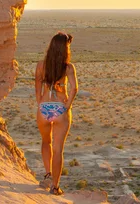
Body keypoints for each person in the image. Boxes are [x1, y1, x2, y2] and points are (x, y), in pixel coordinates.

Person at [35, 31, 78, 196]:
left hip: (44, 108)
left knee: (46, 142)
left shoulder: (41, 65)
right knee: (58, 148)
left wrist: (40, 103)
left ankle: (47, 174)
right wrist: (67, 105)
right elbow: (74, 88)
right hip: (60, 108)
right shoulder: (68, 67)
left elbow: (37, 87)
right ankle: (55, 186)